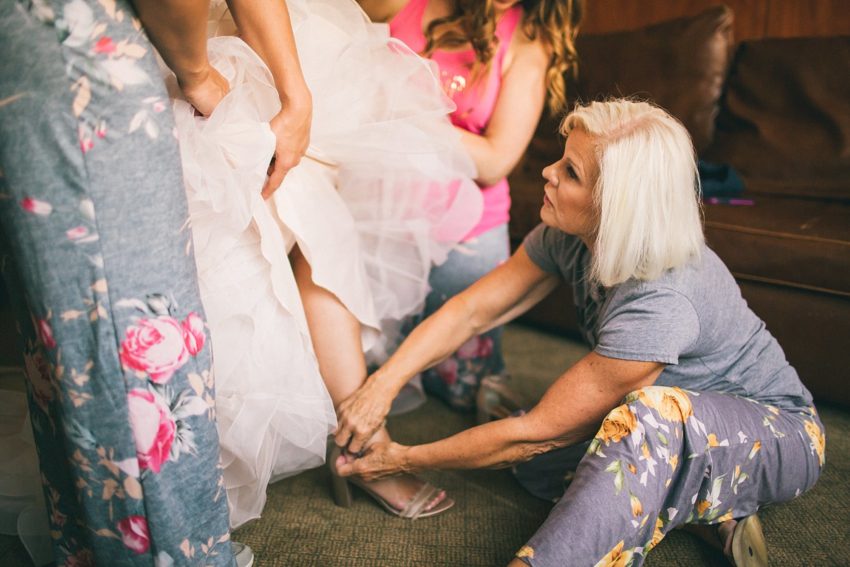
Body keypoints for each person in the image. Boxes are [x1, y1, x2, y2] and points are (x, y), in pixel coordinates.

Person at [333, 99, 825, 566]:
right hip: (658, 419)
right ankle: (703, 510)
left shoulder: (664, 297)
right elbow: (472, 310)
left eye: (571, 173)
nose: (547, 172)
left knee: (628, 424)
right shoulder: (567, 234)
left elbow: (534, 435)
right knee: (535, 469)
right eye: (561, 161)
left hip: (778, 434)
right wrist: (382, 385)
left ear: (619, 206)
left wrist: (400, 458)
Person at [174, 0, 483, 525]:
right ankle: (355, 445)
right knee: (266, 224)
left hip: (274, 43)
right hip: (187, 49)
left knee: (317, 219)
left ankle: (362, 441)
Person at [0, 0, 246, 564]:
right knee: (132, 325)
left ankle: (96, 549)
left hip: (24, 63)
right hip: (83, 69)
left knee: (64, 330)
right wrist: (197, 73)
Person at [357, 0, 583, 413]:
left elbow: (496, 160)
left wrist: (406, 113)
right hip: (368, 215)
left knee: (460, 387)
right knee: (349, 362)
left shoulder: (528, 39)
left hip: (464, 236)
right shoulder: (401, 4)